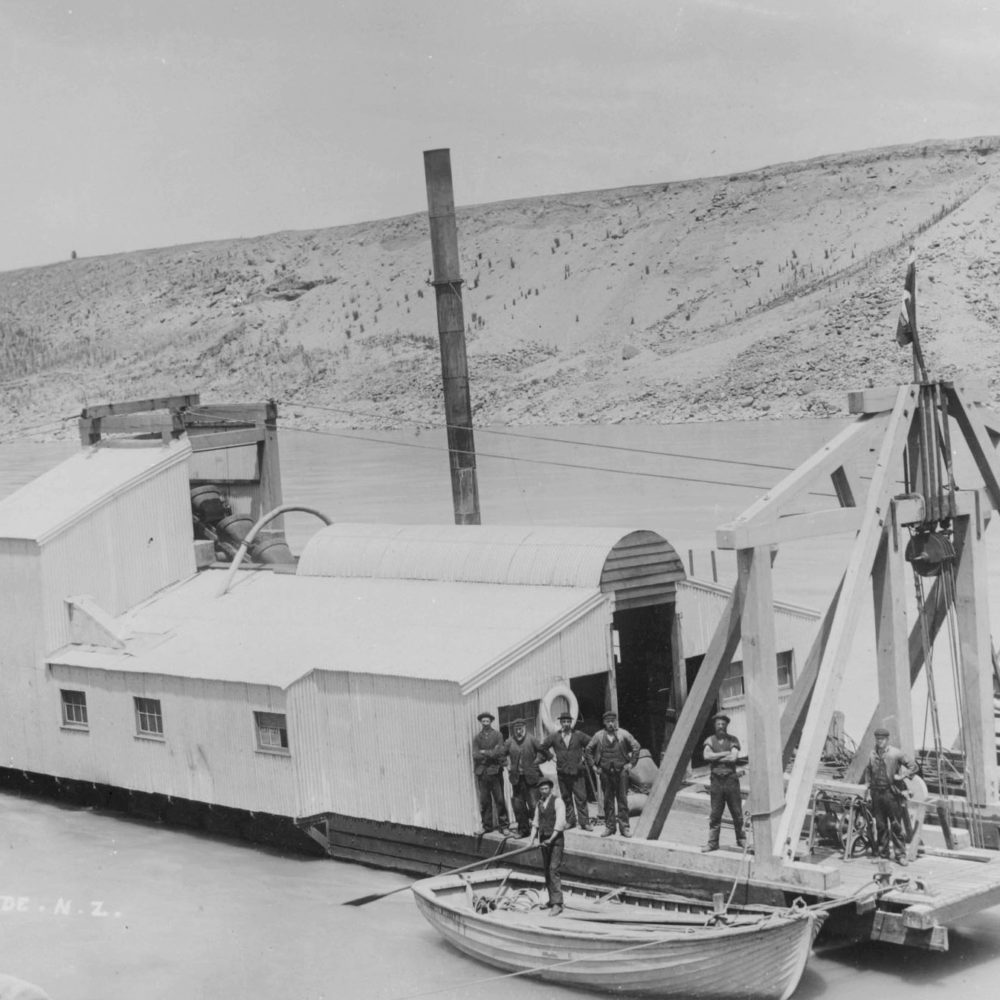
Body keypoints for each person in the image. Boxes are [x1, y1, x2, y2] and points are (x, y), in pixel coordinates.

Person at [863, 727, 917, 865]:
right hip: (876, 794)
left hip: (891, 794)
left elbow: (913, 766)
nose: (879, 741)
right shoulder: (872, 754)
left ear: (887, 740)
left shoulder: (895, 753)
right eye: (877, 739)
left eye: (882, 739)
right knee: (880, 825)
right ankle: (883, 854)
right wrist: (867, 788)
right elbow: (868, 771)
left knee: (896, 825)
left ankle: (900, 855)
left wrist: (903, 776)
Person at [585, 710, 640, 837]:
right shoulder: (599, 736)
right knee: (608, 801)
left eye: (613, 721)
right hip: (605, 772)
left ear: (616, 722)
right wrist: (593, 766)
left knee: (622, 800)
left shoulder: (623, 734)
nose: (610, 724)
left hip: (621, 772)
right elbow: (588, 750)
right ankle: (610, 827)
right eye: (608, 721)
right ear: (604, 723)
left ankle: (624, 828)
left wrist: (631, 764)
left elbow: (636, 747)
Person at [539, 712, 592, 831]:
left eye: (568, 721)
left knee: (581, 798)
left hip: (577, 772)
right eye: (564, 722)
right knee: (566, 797)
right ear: (561, 723)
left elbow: (592, 743)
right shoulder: (554, 736)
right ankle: (570, 821)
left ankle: (584, 822)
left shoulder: (578, 735)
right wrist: (550, 756)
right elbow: (542, 746)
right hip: (562, 772)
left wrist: (585, 756)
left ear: (571, 722)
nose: (566, 724)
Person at [702, 712, 745, 853]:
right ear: (714, 725)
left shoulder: (733, 740)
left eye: (723, 724)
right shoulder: (710, 740)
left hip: (731, 780)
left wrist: (715, 757)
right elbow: (706, 755)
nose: (721, 726)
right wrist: (723, 754)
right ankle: (713, 843)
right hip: (716, 781)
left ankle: (741, 839)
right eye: (718, 724)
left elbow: (733, 758)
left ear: (727, 725)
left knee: (737, 812)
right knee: (715, 813)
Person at [529, 776, 566, 915]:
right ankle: (552, 900)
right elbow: (535, 823)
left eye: (546, 788)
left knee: (553, 870)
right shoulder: (539, 804)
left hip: (556, 841)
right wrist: (531, 840)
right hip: (544, 841)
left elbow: (560, 823)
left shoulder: (558, 801)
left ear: (550, 789)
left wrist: (551, 838)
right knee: (546, 871)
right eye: (541, 789)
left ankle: (558, 904)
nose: (544, 791)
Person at [505, 718, 546, 838]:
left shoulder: (532, 739)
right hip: (517, 779)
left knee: (535, 805)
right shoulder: (509, 741)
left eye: (520, 728)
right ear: (513, 729)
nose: (519, 731)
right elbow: (501, 754)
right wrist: (507, 765)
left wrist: (536, 762)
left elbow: (543, 752)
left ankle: (540, 830)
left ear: (524, 728)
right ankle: (523, 830)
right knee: (518, 805)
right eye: (516, 729)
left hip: (532, 778)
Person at [472, 711, 510, 834]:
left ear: (491, 722)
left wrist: (484, 752)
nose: (485, 723)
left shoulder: (498, 735)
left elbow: (498, 752)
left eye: (487, 721)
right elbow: (475, 755)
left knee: (499, 799)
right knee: (485, 801)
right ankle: (486, 826)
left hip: (495, 771)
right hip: (482, 773)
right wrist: (489, 753)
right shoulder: (477, 738)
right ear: (480, 722)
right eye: (483, 721)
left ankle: (504, 826)